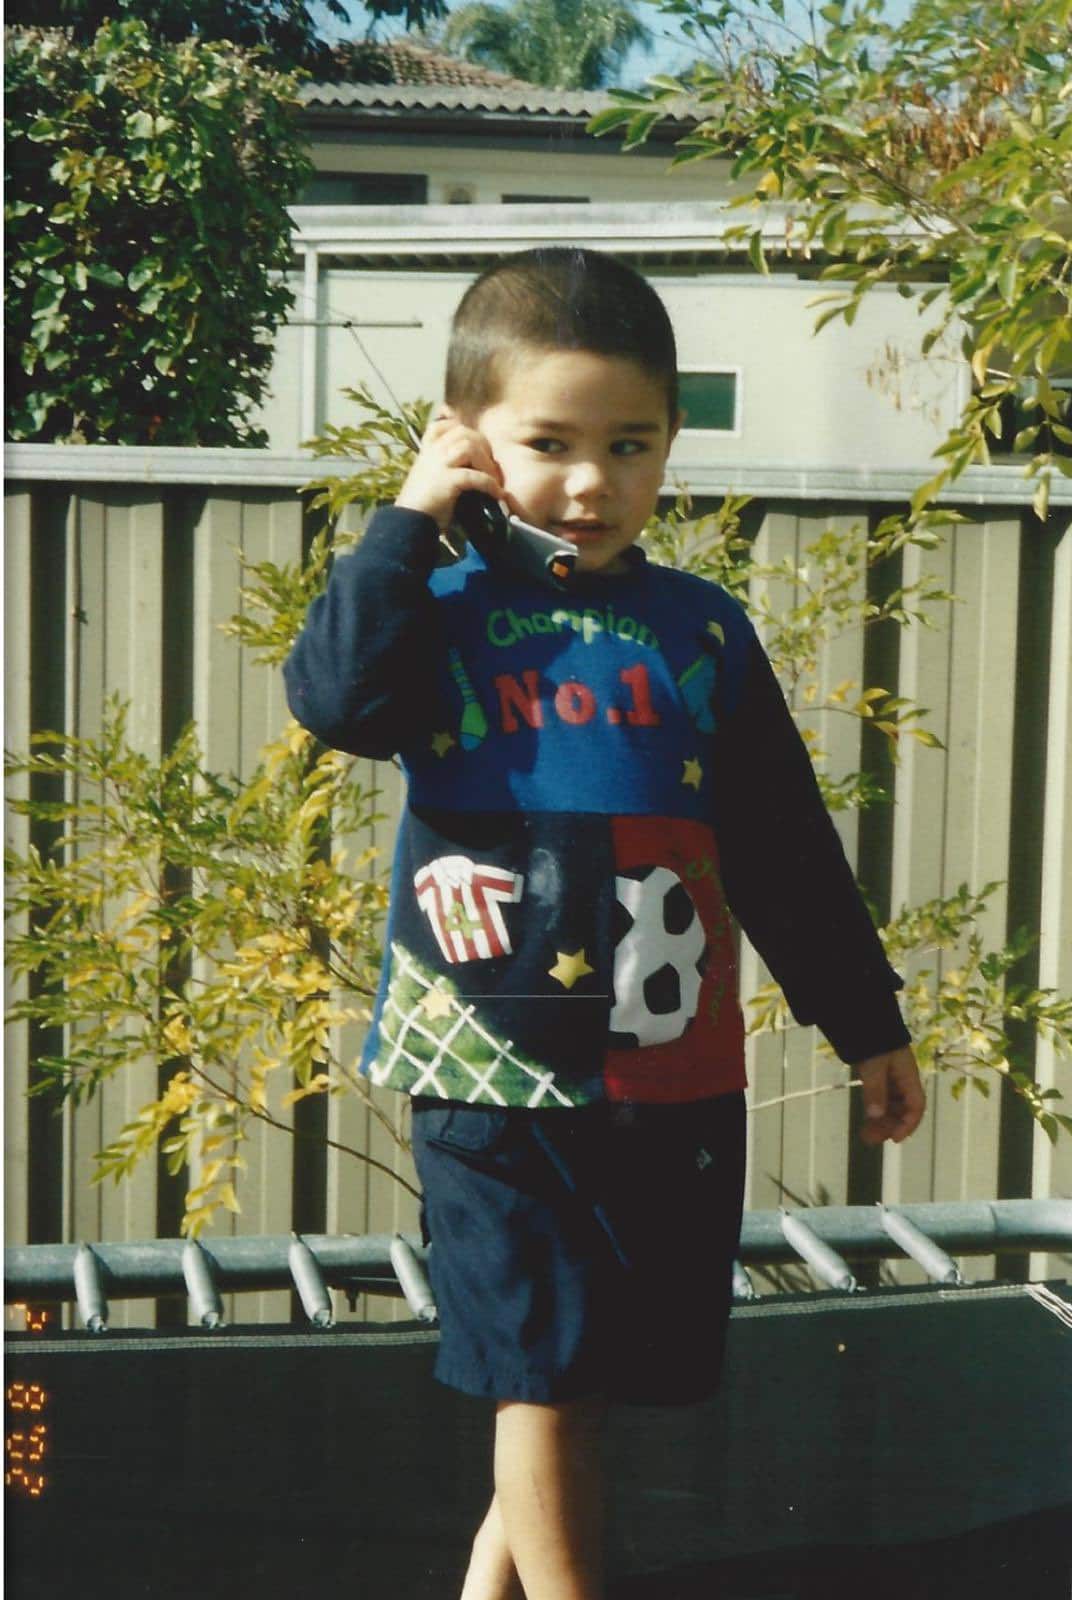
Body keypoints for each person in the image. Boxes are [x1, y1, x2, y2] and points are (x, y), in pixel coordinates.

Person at [283, 246, 926, 1600]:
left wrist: (868, 1027)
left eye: (628, 444)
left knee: (591, 1379)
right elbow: (335, 701)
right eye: (549, 443)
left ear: (671, 442)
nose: (590, 483)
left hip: (669, 1073)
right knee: (546, 1376)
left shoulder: (700, 632)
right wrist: (408, 519)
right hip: (492, 1070)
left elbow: (781, 850)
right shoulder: (436, 615)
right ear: (470, 442)